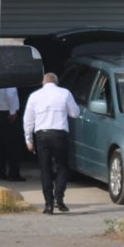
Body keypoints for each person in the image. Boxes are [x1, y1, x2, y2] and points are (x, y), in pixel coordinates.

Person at [23, 72, 80, 214]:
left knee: (45, 169)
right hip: (59, 134)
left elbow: (28, 120)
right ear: (56, 82)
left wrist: (28, 139)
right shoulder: (64, 93)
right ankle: (58, 199)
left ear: (43, 82)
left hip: (42, 135)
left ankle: (48, 204)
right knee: (62, 166)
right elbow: (75, 113)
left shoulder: (34, 96)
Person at [0, 86, 24, 181]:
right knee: (13, 145)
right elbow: (11, 94)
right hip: (7, 112)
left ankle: (0, 172)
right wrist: (13, 111)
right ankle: (14, 173)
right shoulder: (7, 77)